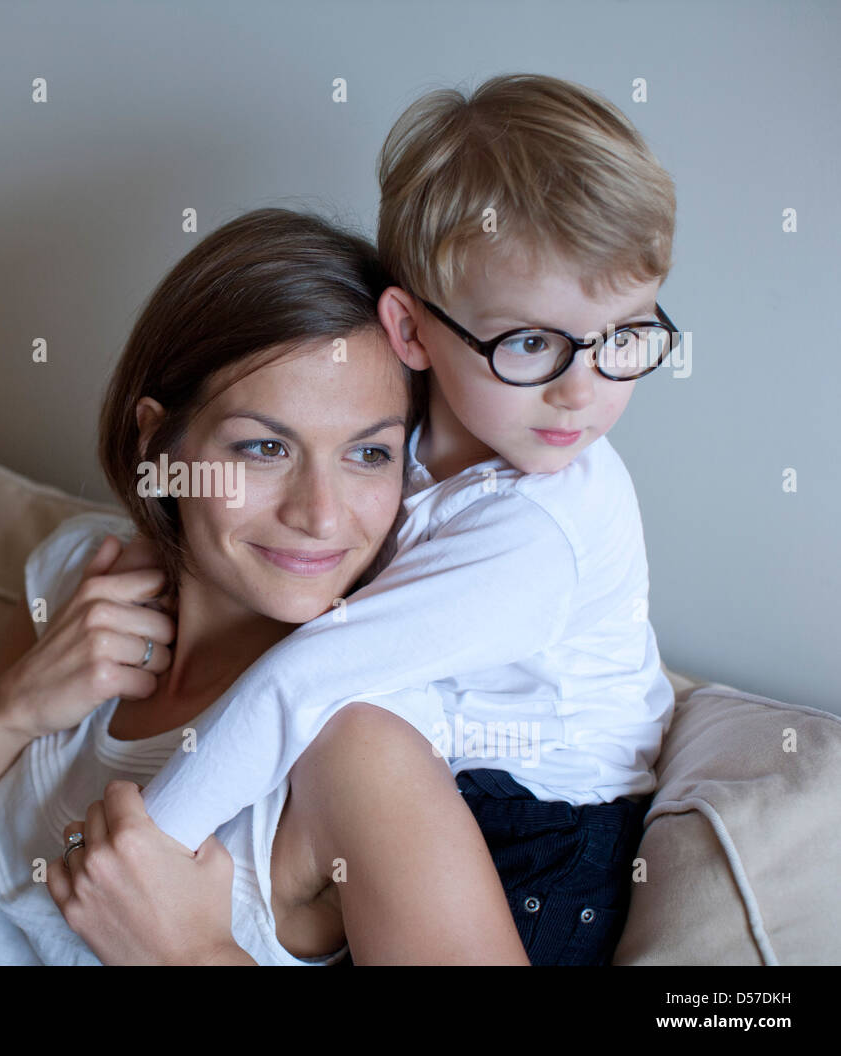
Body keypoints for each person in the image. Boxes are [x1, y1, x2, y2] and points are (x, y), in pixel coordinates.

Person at [53, 74, 679, 967]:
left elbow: (308, 679)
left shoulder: (544, 525)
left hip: (548, 842)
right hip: (443, 796)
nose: (585, 392)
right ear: (413, 332)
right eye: (531, 343)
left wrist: (147, 846)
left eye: (625, 336)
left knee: (342, 730)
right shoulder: (393, 443)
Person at [0, 207, 530, 965]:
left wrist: (184, 952)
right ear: (160, 442)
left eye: (369, 455)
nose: (320, 515)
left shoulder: (359, 743)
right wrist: (9, 712)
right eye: (265, 447)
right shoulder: (86, 579)